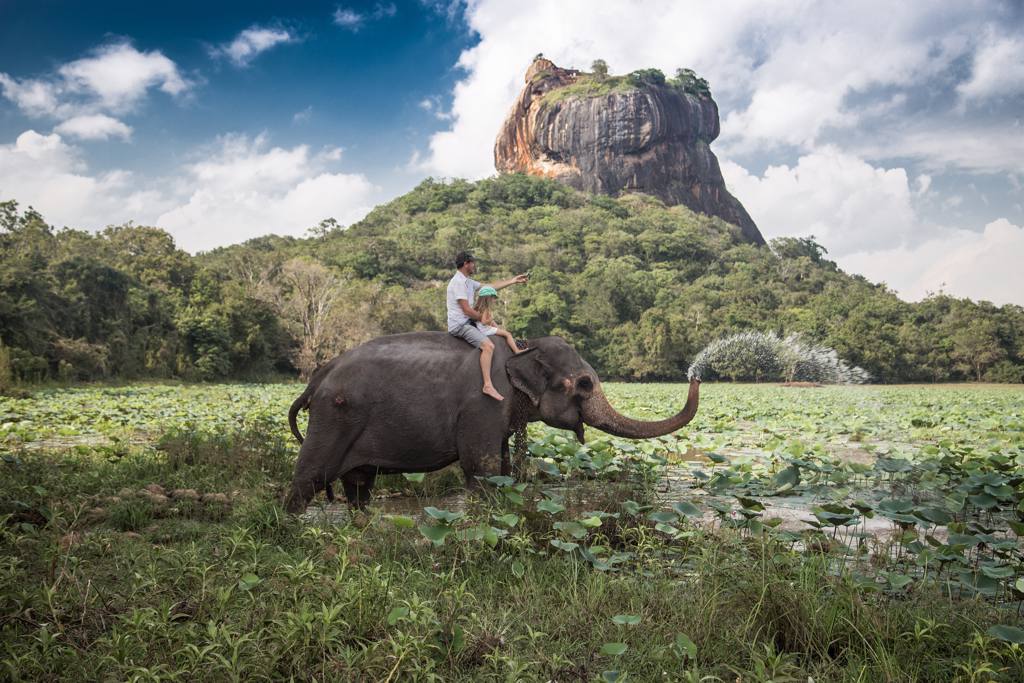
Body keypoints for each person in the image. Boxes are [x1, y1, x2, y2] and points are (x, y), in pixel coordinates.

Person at [446, 251, 528, 401]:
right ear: (466, 264)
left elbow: (488, 287)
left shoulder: (468, 281)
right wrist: (484, 319)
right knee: (488, 346)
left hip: (469, 321)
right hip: (461, 325)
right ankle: (487, 385)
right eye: (472, 263)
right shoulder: (458, 283)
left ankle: (515, 350)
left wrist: (513, 281)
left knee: (499, 329)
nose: (474, 266)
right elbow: (466, 310)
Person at [474, 286, 523, 356]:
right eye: (493, 298)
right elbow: (484, 322)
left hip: (480, 328)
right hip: (484, 329)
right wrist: (491, 319)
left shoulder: (478, 307)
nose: (494, 300)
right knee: (508, 334)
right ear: (488, 298)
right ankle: (517, 350)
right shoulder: (485, 308)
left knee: (500, 330)